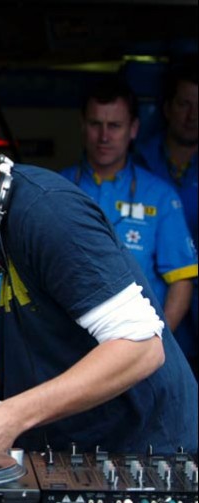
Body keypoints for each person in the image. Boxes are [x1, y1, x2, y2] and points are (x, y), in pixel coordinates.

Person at [0, 110, 197, 454]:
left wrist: (13, 413)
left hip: (146, 445)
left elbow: (141, 346)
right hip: (47, 453)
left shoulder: (49, 215)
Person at [60, 77, 197, 371]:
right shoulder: (55, 189)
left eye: (115, 126)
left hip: (140, 351)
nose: (104, 136)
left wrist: (157, 345)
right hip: (69, 351)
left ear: (133, 129)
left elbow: (182, 281)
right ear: (83, 125)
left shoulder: (160, 195)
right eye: (96, 124)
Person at [135, 64, 199, 364]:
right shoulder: (135, 160)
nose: (193, 115)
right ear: (167, 108)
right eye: (185, 104)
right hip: (154, 300)